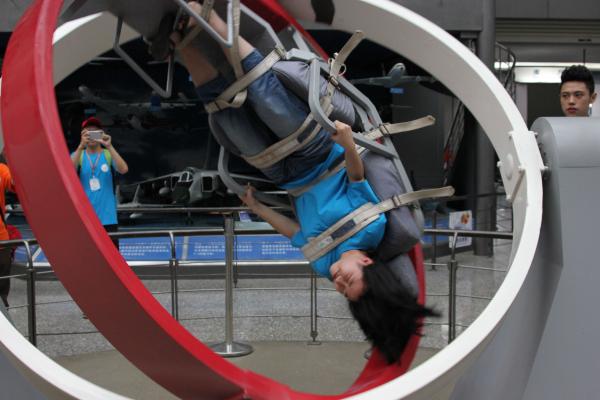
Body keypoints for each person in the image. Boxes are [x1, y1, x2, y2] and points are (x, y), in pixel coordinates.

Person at [170, 2, 435, 364]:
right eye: (349, 281)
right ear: (367, 265)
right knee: (266, 96)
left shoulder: (324, 266)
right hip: (318, 154)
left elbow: (295, 233)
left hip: (285, 175)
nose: (339, 282)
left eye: (341, 290)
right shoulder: (372, 231)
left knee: (227, 116)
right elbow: (356, 178)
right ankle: (211, 16)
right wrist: (348, 144)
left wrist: (258, 207)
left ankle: (182, 41)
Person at [71, 117, 128, 249]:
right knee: (87, 255)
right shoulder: (78, 155)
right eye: (88, 132)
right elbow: (68, 172)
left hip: (108, 217)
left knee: (112, 255)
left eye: (94, 132)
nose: (91, 136)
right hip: (85, 218)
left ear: (101, 134)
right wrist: (80, 146)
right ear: (82, 135)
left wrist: (109, 145)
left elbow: (124, 169)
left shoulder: (108, 154)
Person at [0, 153, 15, 308]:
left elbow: (13, 183)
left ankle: (3, 313)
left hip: (1, 239)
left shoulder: (1, 169)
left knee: (2, 284)